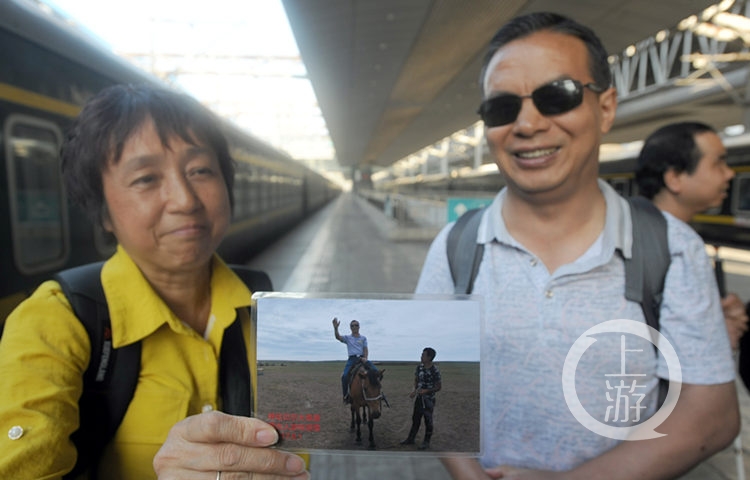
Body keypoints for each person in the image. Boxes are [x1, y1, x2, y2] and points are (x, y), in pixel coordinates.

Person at [415, 12, 739, 480]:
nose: (527, 124)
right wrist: (465, 470)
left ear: (606, 107)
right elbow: (427, 375)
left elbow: (712, 414)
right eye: (502, 108)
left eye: (557, 96)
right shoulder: (457, 246)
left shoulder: (670, 247)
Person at [0, 84, 307, 479]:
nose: (184, 199)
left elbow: (301, 453)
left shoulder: (267, 309)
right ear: (104, 212)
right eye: (146, 179)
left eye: (200, 171)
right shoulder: (55, 322)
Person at [635, 121, 748, 350]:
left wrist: (710, 316)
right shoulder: (680, 244)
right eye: (718, 163)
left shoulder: (639, 231)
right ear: (674, 178)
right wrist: (715, 336)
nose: (729, 174)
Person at [400, 347, 441, 450]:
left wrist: (426, 391)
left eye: (423, 355)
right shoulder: (419, 368)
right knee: (415, 419)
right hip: (419, 399)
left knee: (428, 421)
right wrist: (414, 390)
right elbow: (416, 380)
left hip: (429, 400)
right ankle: (411, 439)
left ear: (429, 357)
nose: (421, 356)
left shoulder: (435, 370)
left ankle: (426, 442)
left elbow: (438, 387)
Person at [332, 317, 377, 403]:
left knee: (375, 372)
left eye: (356, 325)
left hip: (362, 358)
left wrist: (365, 358)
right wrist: (336, 328)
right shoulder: (348, 338)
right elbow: (338, 337)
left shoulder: (363, 338)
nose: (354, 327)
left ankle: (377, 393)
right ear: (350, 327)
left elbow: (365, 349)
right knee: (344, 376)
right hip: (352, 359)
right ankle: (346, 396)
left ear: (359, 327)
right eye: (352, 326)